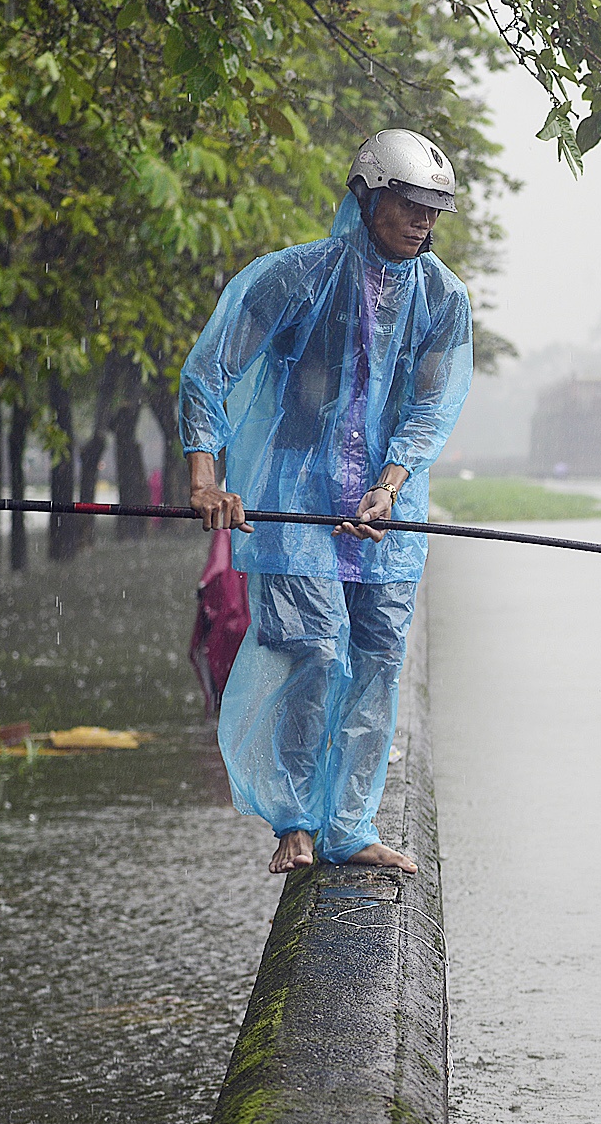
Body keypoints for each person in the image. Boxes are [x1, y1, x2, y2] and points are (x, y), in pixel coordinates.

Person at [180, 129, 472, 874]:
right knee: (311, 648)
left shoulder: (442, 299)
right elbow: (210, 371)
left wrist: (390, 484)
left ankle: (351, 824)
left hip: (387, 515)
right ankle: (295, 822)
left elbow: (430, 407)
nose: (423, 222)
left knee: (377, 657)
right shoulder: (293, 279)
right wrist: (205, 479)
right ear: (370, 197)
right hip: (293, 498)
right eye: (410, 205)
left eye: (435, 210)